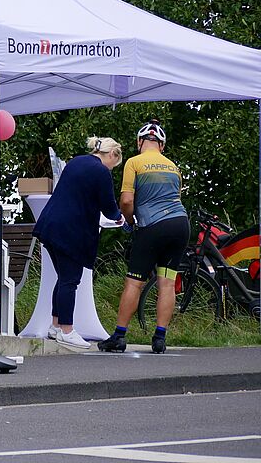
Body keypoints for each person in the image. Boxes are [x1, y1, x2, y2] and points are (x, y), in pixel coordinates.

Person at [99, 120, 189, 354]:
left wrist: (129, 222)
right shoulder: (173, 167)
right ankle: (159, 339)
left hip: (152, 227)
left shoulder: (134, 162)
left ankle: (119, 336)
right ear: (162, 145)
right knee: (167, 282)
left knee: (134, 282)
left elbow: (127, 201)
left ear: (140, 142)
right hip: (180, 225)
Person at [33, 136, 124, 349]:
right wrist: (120, 217)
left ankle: (55, 326)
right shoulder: (100, 171)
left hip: (51, 225)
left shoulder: (76, 161)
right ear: (112, 154)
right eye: (114, 164)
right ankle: (67, 329)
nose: (112, 169)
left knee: (63, 277)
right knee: (70, 280)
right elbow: (109, 206)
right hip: (69, 231)